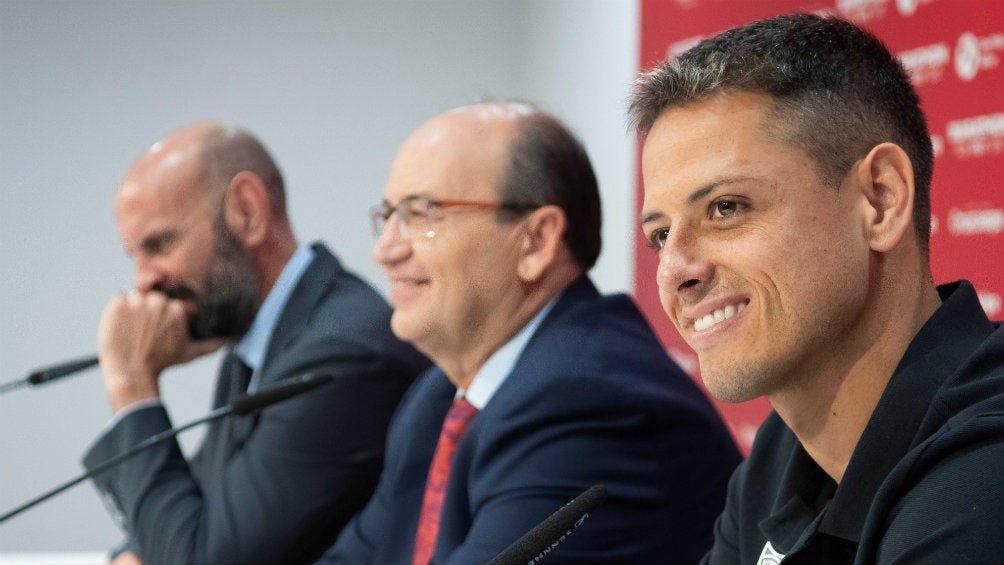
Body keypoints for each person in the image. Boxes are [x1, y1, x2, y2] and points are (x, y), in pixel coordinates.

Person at [631, 13, 1004, 565]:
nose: (674, 270)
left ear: (880, 200)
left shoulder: (986, 474)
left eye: (726, 208)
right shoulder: (778, 461)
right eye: (660, 235)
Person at [317, 101, 742, 565]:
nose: (385, 251)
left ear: (536, 242)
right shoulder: (437, 397)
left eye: (422, 214)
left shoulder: (589, 403)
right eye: (390, 215)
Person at [82, 122, 430, 565]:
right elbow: (192, 508)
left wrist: (131, 385)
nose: (143, 280)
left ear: (246, 211)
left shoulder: (340, 356)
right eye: (136, 256)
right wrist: (130, 553)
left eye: (160, 244)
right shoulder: (260, 341)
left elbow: (203, 559)